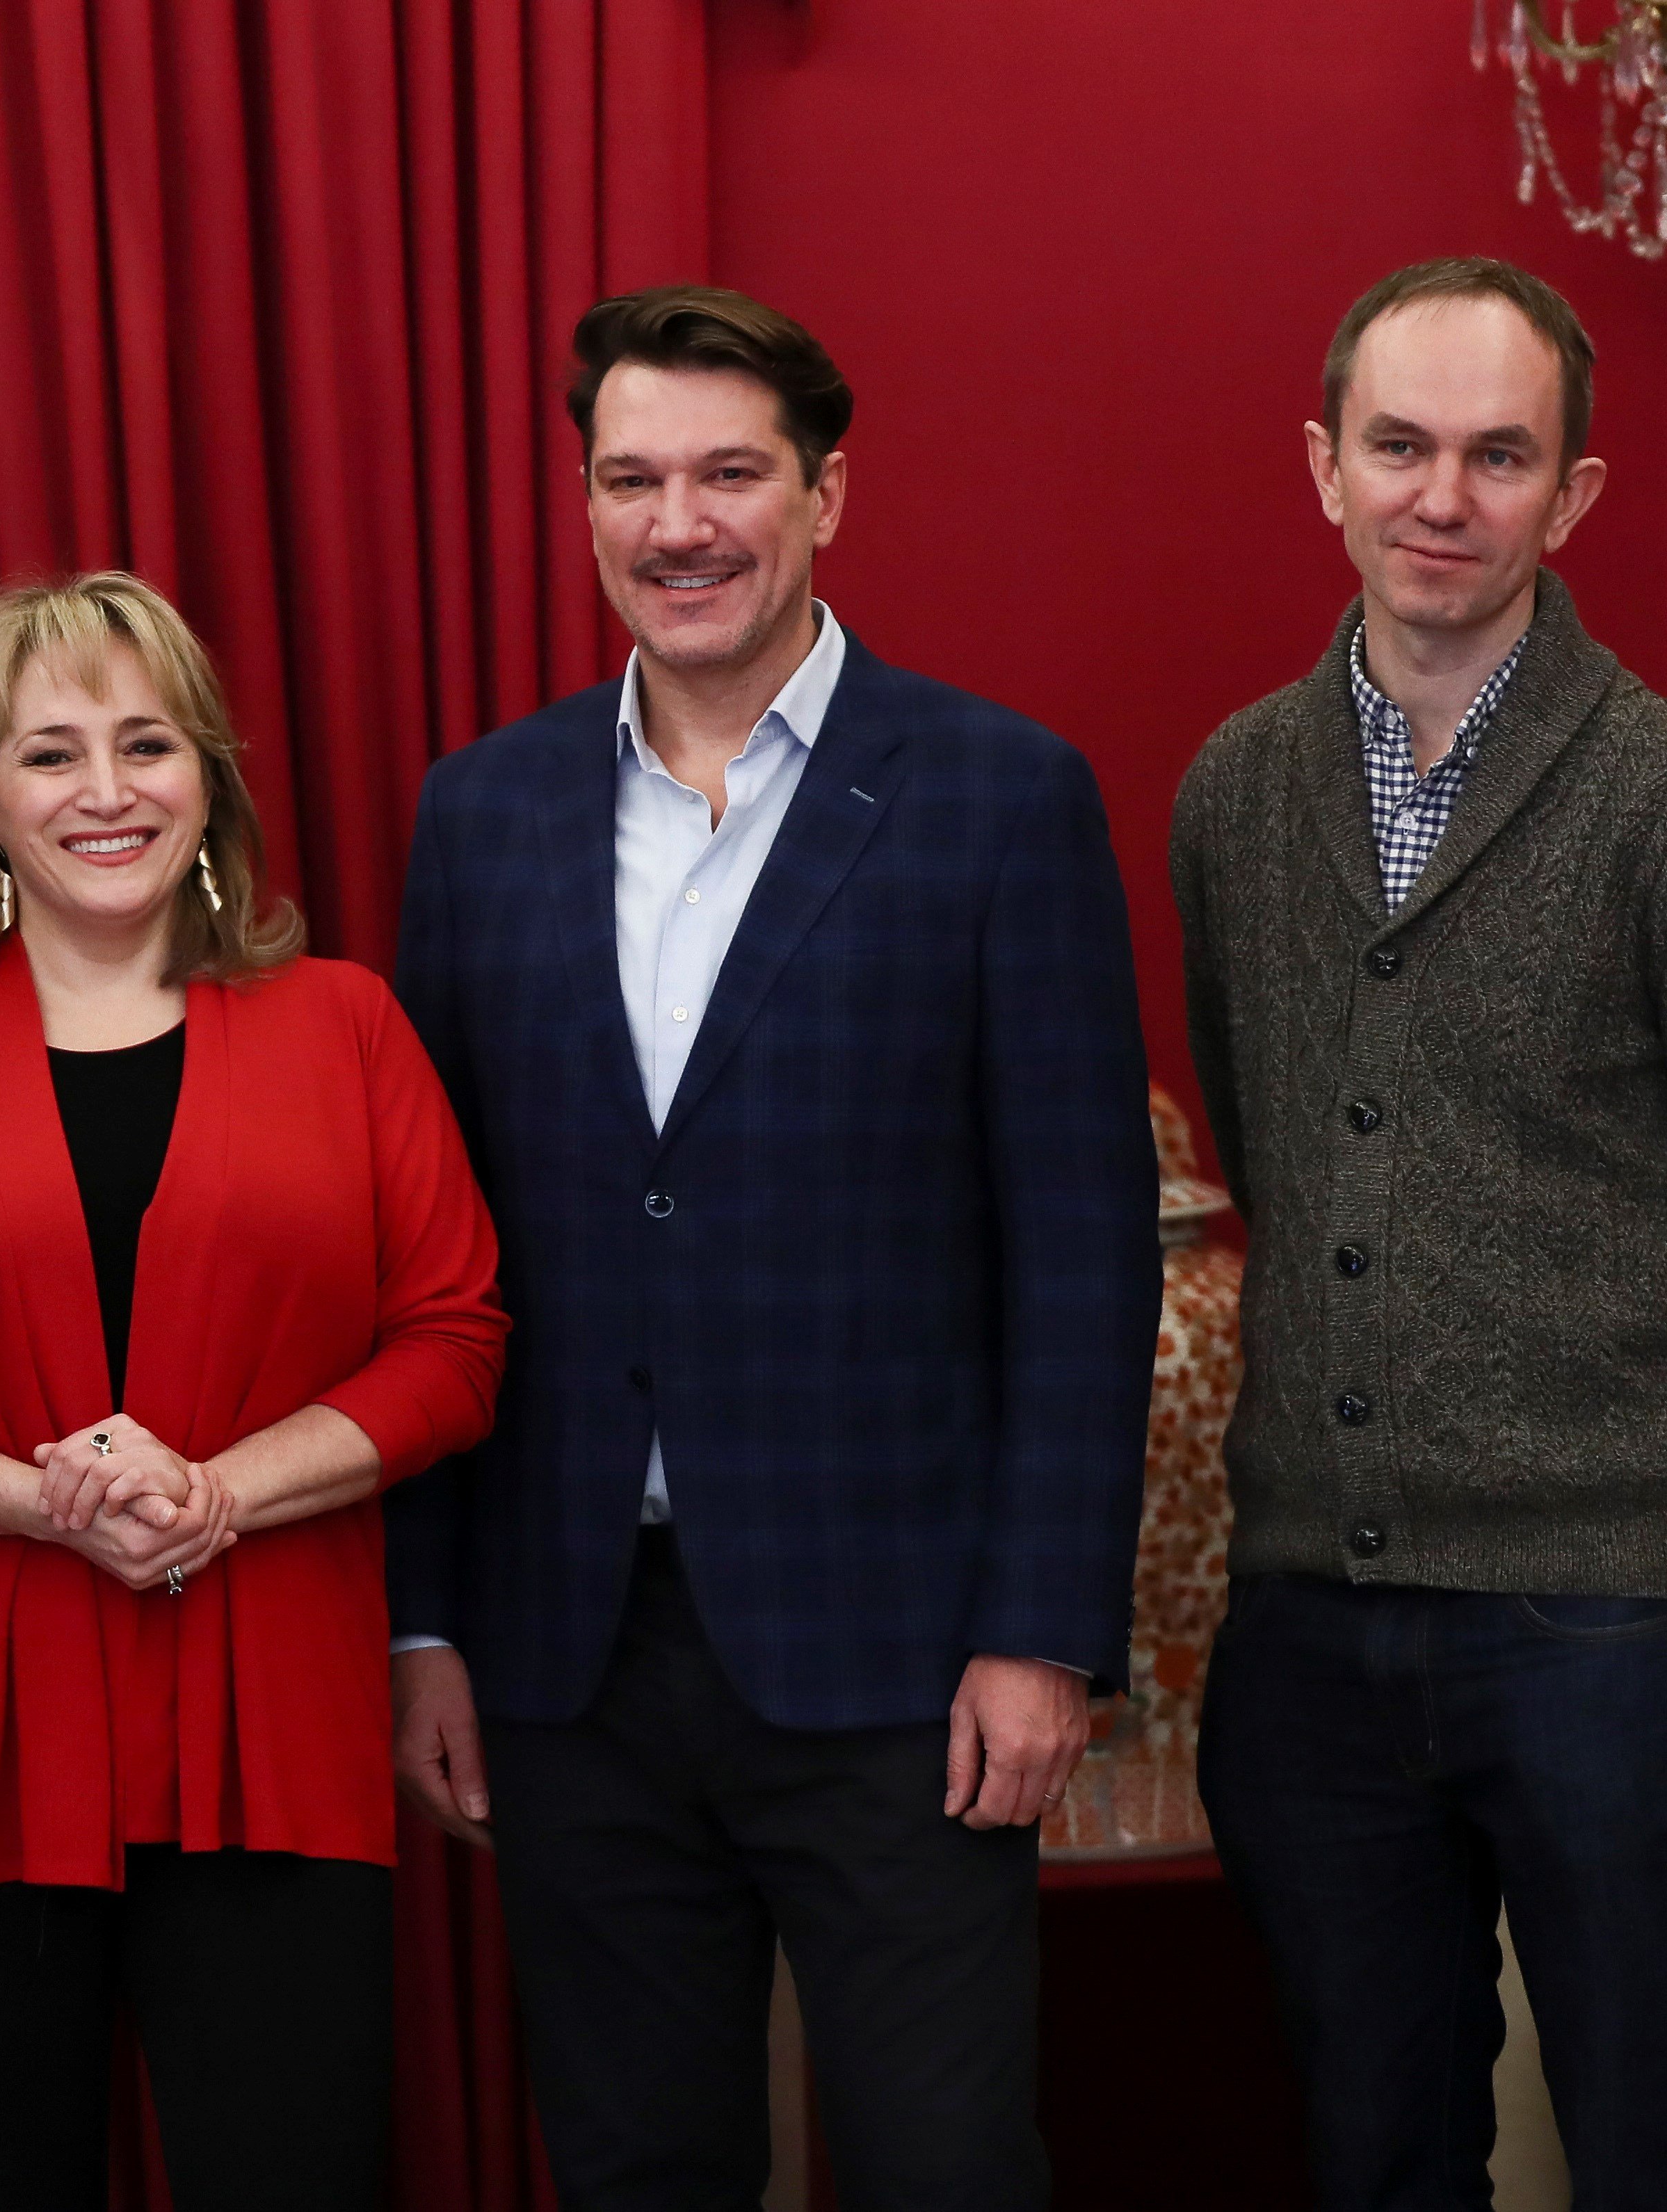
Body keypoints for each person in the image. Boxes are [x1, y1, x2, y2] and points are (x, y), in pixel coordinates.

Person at [383, 287, 1160, 2212]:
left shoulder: (998, 796)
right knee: (637, 2164)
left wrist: (1042, 1626)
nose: (679, 523)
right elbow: (424, 1256)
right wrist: (424, 1617)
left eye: (729, 473)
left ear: (824, 492)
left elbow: (1081, 1251)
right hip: (567, 1648)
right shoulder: (480, 815)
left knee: (944, 2164)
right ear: (580, 505)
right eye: (630, 478)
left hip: (904, 1655)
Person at [1173, 257, 1667, 2212]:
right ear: (1322, 467)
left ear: (1572, 496)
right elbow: (1278, 1140)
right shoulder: (1231, 791)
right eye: (1398, 446)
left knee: (1653, 2138)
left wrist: (1630, 1484)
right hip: (1305, 1619)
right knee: (1373, 2145)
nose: (1440, 497)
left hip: (1597, 1625)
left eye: (1498, 455)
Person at [0, 571, 509, 2212]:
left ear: (208, 779)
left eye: (146, 744)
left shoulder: (347, 1027)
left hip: (273, 1722)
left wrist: (224, 1489)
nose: (104, 792)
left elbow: (453, 1339)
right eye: (48, 754)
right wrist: (45, 1498)